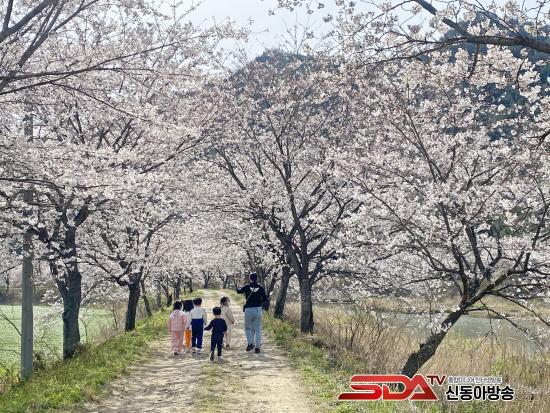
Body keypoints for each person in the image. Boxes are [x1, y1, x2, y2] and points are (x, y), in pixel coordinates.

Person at [236, 273, 267, 353]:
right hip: (258, 309)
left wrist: (239, 286)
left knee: (248, 328)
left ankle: (250, 343)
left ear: (250, 279)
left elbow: (238, 291)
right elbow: (265, 299)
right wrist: (259, 301)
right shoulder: (261, 288)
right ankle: (257, 347)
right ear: (257, 279)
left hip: (248, 309)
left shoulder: (247, 287)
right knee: (258, 329)